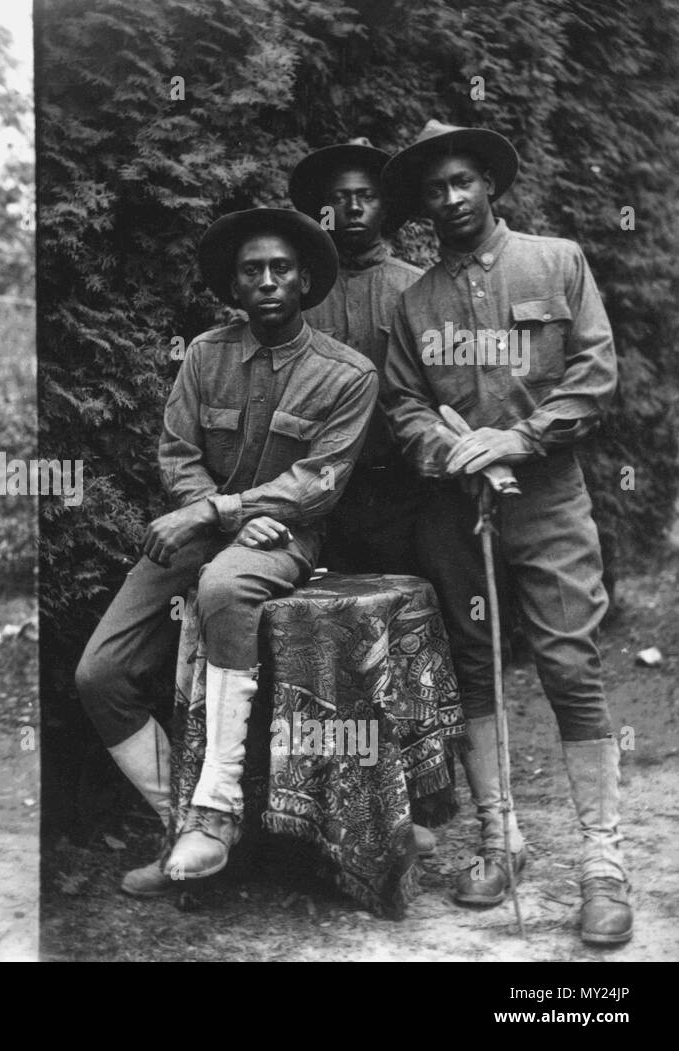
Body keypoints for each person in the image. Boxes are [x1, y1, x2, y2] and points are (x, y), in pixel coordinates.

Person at [74, 208, 377, 895]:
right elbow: (178, 453)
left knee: (223, 587)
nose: (267, 281)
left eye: (281, 269)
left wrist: (223, 513)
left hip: (286, 535)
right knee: (100, 674)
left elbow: (318, 482)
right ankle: (184, 824)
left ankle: (216, 809)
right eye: (252, 271)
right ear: (234, 286)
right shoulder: (205, 356)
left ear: (304, 281)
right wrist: (214, 511)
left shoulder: (348, 374)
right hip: (207, 528)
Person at [380, 120, 631, 945]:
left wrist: (519, 438)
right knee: (473, 663)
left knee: (569, 661)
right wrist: (448, 447)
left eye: (463, 181)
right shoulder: (415, 301)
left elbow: (595, 373)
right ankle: (500, 838)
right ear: (423, 204)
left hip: (547, 499)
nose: (451, 198)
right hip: (457, 509)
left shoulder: (556, 262)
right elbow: (404, 404)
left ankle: (603, 861)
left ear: (490, 182)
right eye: (435, 189)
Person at [289, 138, 439, 857]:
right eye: (338, 198)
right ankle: (341, 799)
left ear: (387, 206)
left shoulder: (416, 288)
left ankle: (421, 798)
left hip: (404, 491)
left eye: (366, 196)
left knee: (408, 644)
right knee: (335, 650)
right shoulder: (302, 295)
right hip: (325, 498)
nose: (351, 209)